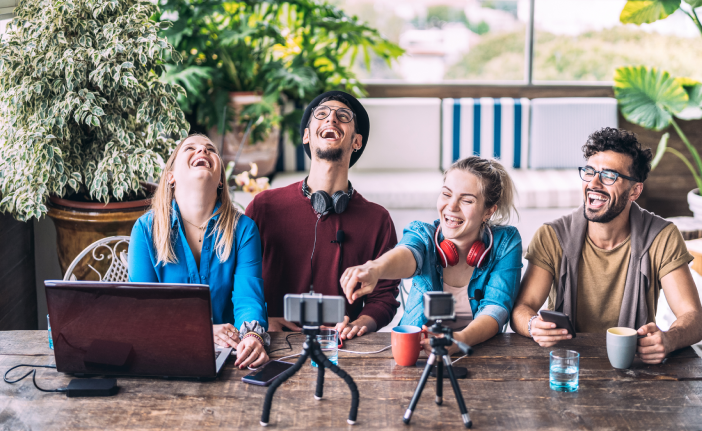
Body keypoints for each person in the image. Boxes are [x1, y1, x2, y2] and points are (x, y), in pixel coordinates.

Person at [511, 127, 702, 364]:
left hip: (633, 366)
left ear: (635, 190)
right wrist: (533, 325)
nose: (594, 183)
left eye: (609, 176)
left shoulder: (662, 237)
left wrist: (669, 339)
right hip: (566, 364)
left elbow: (693, 318)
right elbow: (523, 308)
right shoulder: (552, 236)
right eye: (589, 171)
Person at [246, 91, 400, 339]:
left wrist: (361, 323)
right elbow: (240, 279)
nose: (331, 119)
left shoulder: (377, 220)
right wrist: (259, 321)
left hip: (341, 347)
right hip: (270, 344)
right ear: (307, 135)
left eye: (343, 116)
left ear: (356, 141)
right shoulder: (263, 206)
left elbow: (384, 296)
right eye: (322, 114)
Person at [341, 156, 522, 354]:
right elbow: (407, 253)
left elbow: (496, 308)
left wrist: (459, 340)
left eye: (467, 200)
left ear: (488, 211)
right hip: (416, 355)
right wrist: (375, 268)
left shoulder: (506, 243)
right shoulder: (422, 234)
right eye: (446, 194)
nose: (451, 207)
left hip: (483, 357)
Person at [129, 134, 269, 369]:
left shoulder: (244, 229)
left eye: (210, 149)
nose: (202, 151)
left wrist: (252, 337)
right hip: (163, 356)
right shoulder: (144, 230)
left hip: (230, 359)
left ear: (221, 179)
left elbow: (248, 297)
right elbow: (144, 312)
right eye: (191, 148)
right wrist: (200, 331)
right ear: (171, 176)